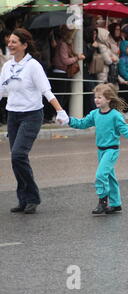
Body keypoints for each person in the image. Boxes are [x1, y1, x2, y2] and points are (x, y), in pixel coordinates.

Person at [0, 28, 69, 214]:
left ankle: (32, 197)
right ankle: (24, 199)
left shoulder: (33, 66)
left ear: (24, 45)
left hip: (31, 115)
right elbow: (2, 91)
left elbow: (46, 91)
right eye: (9, 41)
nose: (10, 44)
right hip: (12, 115)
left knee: (18, 155)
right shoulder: (7, 66)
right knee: (17, 160)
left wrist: (60, 111)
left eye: (14, 42)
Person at [59, 83, 128, 214]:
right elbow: (82, 123)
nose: (96, 100)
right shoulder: (94, 114)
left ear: (108, 99)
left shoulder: (115, 115)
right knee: (109, 177)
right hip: (101, 150)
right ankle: (116, 204)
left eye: (100, 97)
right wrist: (68, 120)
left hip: (111, 150)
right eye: (95, 97)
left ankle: (102, 202)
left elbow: (125, 130)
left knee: (100, 175)